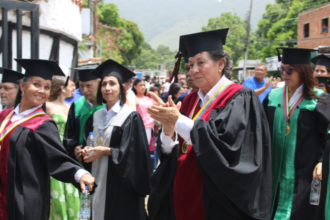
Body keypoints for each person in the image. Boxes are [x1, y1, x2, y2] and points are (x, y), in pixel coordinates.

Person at [147, 28, 271, 220]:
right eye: (190, 65)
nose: (193, 70)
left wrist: (178, 120)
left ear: (220, 64)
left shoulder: (239, 97)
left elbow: (229, 148)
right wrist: (168, 130)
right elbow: (173, 152)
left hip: (216, 198)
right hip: (183, 191)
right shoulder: (188, 101)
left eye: (201, 63)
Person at [0, 59, 95, 220]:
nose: (42, 91)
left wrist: (79, 173)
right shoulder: (4, 116)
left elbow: (56, 157)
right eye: (36, 84)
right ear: (22, 86)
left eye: (46, 87)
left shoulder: (42, 123)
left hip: (22, 196)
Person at [263, 47, 330, 220]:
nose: (284, 74)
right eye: (282, 69)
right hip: (275, 167)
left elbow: (326, 135)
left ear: (303, 71)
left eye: (290, 70)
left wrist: (322, 161)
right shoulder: (272, 97)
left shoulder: (319, 99)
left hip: (305, 170)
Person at [82, 59, 152, 220]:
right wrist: (82, 149)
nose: (107, 88)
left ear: (121, 89)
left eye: (112, 84)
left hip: (119, 184)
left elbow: (136, 156)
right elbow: (88, 141)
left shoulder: (130, 117)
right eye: (104, 84)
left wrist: (106, 151)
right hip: (96, 177)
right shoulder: (95, 116)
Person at [46, 76, 81, 220]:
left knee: (70, 187)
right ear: (62, 87)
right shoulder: (48, 106)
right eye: (71, 85)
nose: (74, 89)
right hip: (53, 148)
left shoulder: (70, 107)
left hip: (68, 150)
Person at [63, 65, 104, 170]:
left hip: (102, 161)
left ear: (99, 84)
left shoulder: (107, 106)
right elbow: (69, 135)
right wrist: (74, 147)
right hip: (81, 163)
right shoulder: (77, 105)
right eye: (81, 86)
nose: (84, 90)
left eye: (89, 86)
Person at [132, 78, 164, 145]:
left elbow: (162, 105)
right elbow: (136, 103)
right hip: (136, 127)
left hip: (148, 127)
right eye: (140, 85)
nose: (143, 87)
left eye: (144, 85)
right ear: (134, 86)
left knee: (145, 148)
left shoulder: (149, 99)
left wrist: (154, 95)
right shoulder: (133, 98)